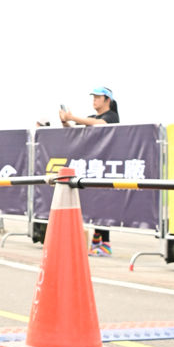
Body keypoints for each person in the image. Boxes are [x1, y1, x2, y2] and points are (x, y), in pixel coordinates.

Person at [58, 85, 119, 255]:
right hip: (92, 165)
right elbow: (73, 130)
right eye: (93, 97)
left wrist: (72, 117)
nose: (94, 100)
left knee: (104, 203)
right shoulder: (91, 117)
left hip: (106, 165)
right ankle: (96, 242)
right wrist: (65, 121)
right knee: (95, 203)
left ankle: (105, 244)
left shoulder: (111, 116)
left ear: (107, 100)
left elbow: (100, 124)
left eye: (98, 97)